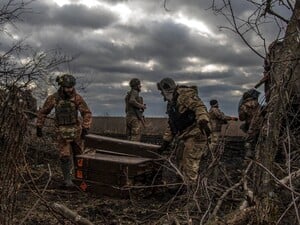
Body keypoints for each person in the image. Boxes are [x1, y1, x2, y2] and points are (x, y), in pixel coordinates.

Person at [36, 74, 92, 187]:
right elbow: (43, 112)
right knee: (65, 156)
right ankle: (67, 181)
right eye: (67, 87)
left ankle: (80, 178)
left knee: (80, 156)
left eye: (71, 87)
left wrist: (86, 127)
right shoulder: (54, 98)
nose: (69, 89)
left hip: (76, 131)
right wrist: (39, 126)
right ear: (62, 86)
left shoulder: (77, 98)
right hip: (61, 131)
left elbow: (86, 113)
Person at [157, 77, 211, 185]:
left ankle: (191, 194)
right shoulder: (172, 103)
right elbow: (172, 124)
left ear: (166, 89)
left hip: (196, 133)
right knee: (179, 158)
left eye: (162, 92)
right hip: (185, 135)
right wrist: (165, 142)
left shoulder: (184, 95)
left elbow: (199, 106)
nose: (162, 95)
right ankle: (181, 185)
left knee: (189, 163)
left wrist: (203, 121)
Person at [238, 88, 263, 159]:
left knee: (248, 141)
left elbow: (241, 118)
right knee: (259, 140)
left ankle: (248, 157)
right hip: (261, 124)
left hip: (251, 125)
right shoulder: (257, 104)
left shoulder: (243, 106)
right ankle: (259, 156)